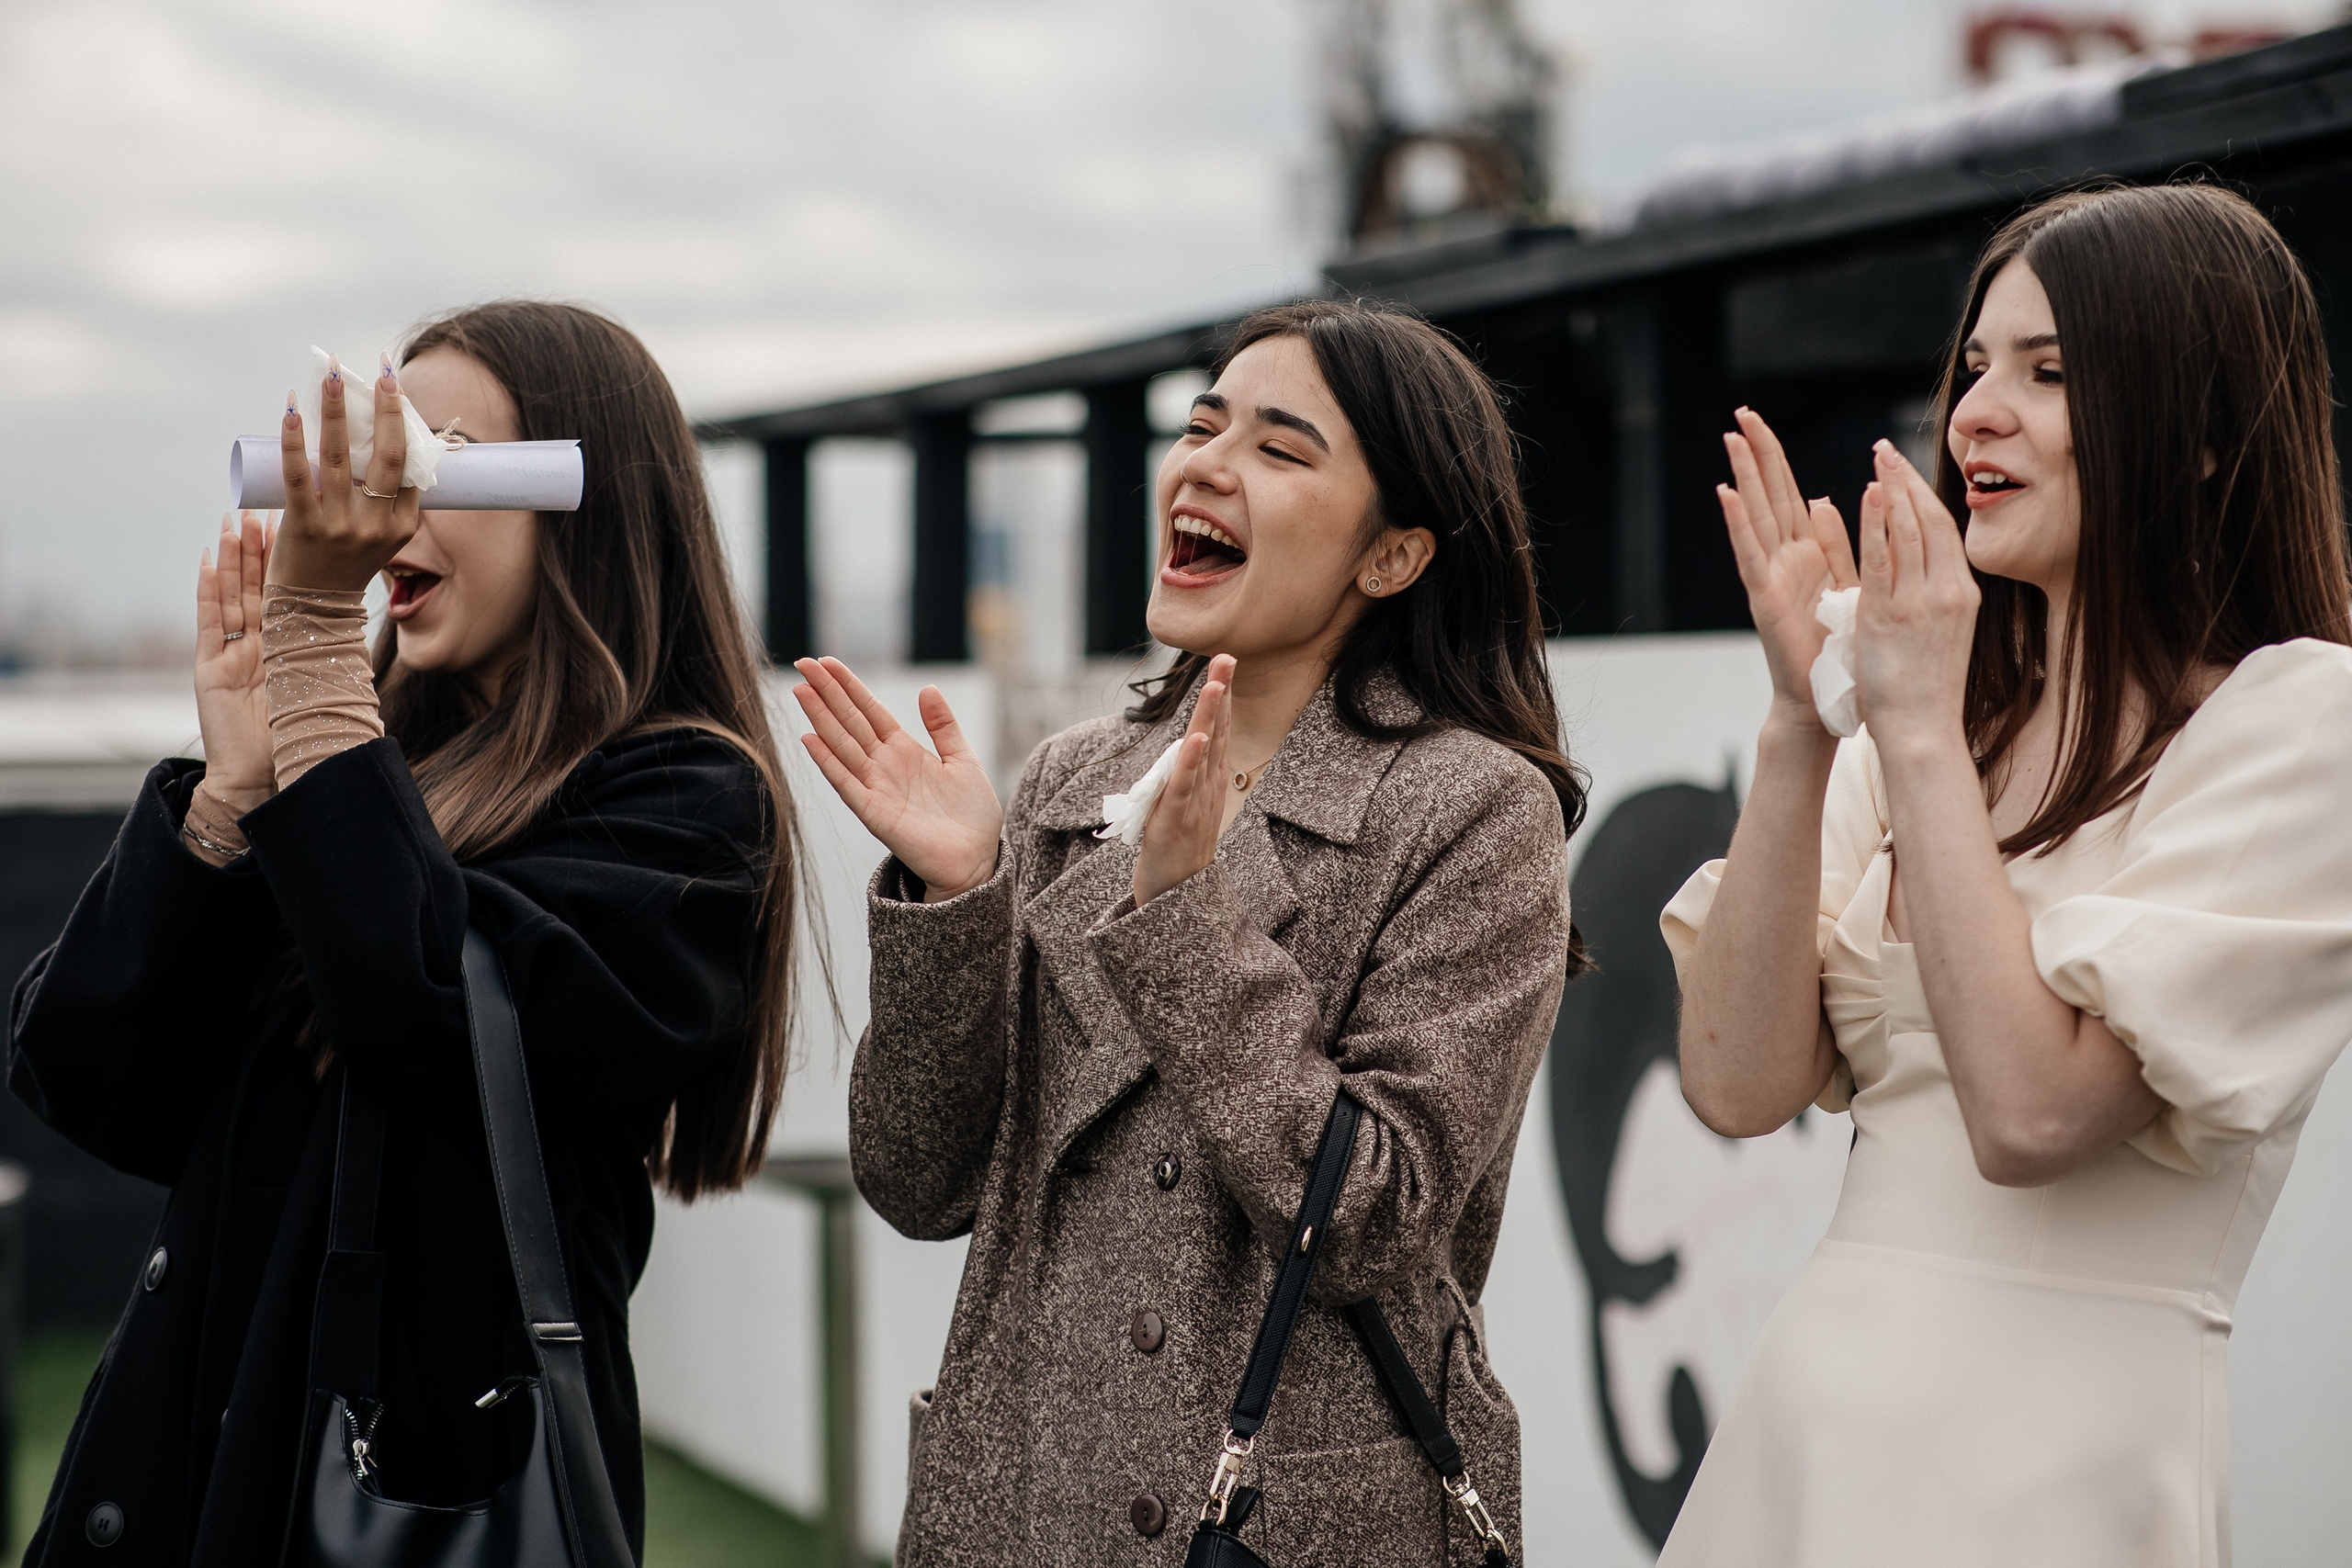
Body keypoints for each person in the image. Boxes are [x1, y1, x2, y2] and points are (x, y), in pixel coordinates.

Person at [792, 299, 1580, 1565]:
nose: (1206, 463)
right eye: (1202, 426)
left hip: (1284, 1522)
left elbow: (1372, 1221)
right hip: (1024, 1501)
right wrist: (953, 898)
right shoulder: (1069, 780)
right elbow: (915, 1179)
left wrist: (1188, 915)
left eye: (1280, 448)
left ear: (1392, 557)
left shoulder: (1475, 808)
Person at [8, 300, 798, 1563]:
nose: (380, 511)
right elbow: (90, 1079)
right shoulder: (359, 766)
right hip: (192, 1480)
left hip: (410, 1510)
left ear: (577, 500)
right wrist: (230, 799)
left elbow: (423, 999)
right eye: (381, 455)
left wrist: (319, 653)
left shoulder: (688, 807)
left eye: (432, 461)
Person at [1659, 183, 2352, 1566]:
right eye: (1975, 368)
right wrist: (1807, 716)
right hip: (1806, 1437)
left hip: (2061, 1473)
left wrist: (1904, 723)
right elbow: (1735, 1087)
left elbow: (2032, 1121)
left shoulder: (2302, 721)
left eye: (2049, 372)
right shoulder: (1937, 715)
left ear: (2207, 436)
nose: (1975, 414)